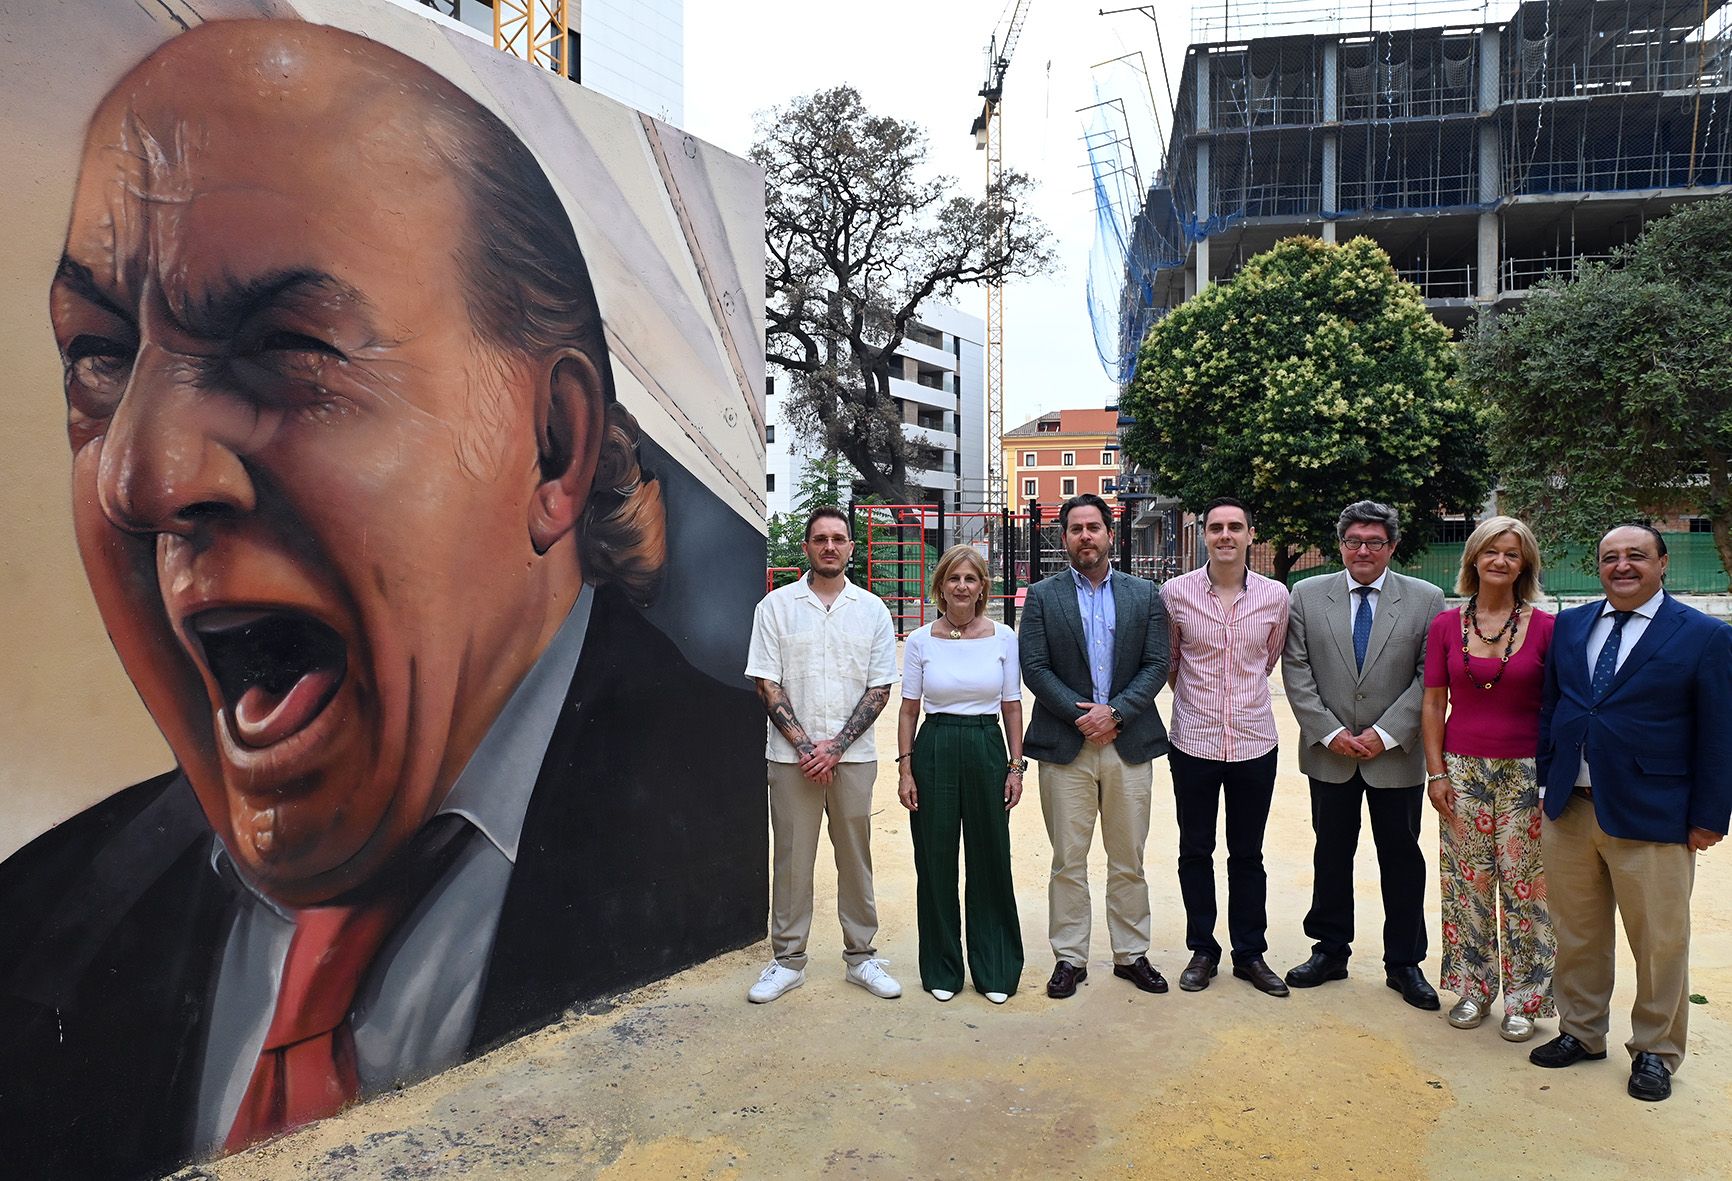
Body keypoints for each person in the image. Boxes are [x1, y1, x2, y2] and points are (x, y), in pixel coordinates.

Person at [0, 21, 764, 1177]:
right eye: (100, 356)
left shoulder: (739, 835)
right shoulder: (36, 921)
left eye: (282, 343)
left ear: (551, 449)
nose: (142, 477)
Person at [1529, 523, 1732, 1102]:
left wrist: (1710, 815)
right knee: (1577, 933)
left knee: (1660, 942)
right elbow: (1555, 708)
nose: (1622, 566)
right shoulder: (1572, 625)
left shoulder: (1703, 636)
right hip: (1570, 807)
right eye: (1610, 557)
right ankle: (1582, 1032)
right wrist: (1548, 780)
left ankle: (1656, 1052)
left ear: (1662, 563)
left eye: (1636, 556)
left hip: (1656, 813)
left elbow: (1720, 733)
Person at [1282, 501, 1446, 1009]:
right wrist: (1330, 732)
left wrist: (1385, 732)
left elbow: (1429, 676)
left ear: (1392, 547)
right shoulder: (1307, 595)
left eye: (1375, 542)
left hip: (1395, 756)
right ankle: (1330, 950)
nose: (1363, 551)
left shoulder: (1425, 599)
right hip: (1330, 754)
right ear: (1340, 545)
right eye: (1354, 541)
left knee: (1401, 858)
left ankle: (1404, 963)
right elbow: (1297, 670)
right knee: (1331, 854)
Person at [744, 506, 900, 1005]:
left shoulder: (873, 610)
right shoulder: (775, 607)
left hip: (853, 759)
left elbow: (879, 687)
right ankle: (788, 960)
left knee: (855, 856)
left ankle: (862, 957)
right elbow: (766, 682)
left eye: (838, 539)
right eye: (820, 539)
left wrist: (836, 746)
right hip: (791, 760)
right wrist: (808, 747)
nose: (829, 547)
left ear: (851, 547)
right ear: (806, 547)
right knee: (792, 857)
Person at [1019, 493, 1171, 1000]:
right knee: (1068, 859)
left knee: (1129, 857)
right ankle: (1070, 957)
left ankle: (1131, 954)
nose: (1086, 536)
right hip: (1068, 745)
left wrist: (1117, 712)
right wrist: (1083, 715)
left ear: (1110, 534)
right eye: (1076, 528)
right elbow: (1035, 667)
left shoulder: (1145, 595)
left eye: (1094, 527)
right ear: (1063, 538)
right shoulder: (1041, 596)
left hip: (1129, 744)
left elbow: (1156, 663)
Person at [1421, 517, 1556, 1042]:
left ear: (1525, 565)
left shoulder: (1547, 627)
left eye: (1513, 554)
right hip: (1461, 769)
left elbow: (1558, 707)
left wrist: (1552, 782)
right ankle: (1473, 988)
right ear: (1473, 558)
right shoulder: (1444, 626)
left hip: (1527, 773)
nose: (1500, 561)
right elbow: (1433, 703)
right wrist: (1436, 773)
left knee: (1528, 888)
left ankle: (1526, 997)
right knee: (1466, 884)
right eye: (1491, 551)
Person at [1159, 497, 1291, 997]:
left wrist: (1238, 700)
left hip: (1255, 743)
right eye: (1216, 528)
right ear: (1204, 535)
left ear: (1250, 535)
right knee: (1195, 848)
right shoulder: (1176, 594)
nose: (1225, 536)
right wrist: (1203, 705)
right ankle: (1202, 949)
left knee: (1248, 852)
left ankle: (1249, 952)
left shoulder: (1276, 596)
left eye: (1235, 527)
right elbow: (1172, 662)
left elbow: (1269, 657)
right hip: (1193, 741)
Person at [896, 546, 1025, 1004]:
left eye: (971, 579)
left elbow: (1012, 706)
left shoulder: (1004, 637)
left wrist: (1015, 766)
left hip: (987, 745)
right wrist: (905, 768)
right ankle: (942, 968)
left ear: (983, 587)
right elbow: (909, 710)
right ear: (941, 586)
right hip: (935, 747)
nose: (962, 586)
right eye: (954, 579)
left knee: (991, 858)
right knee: (935, 861)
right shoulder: (920, 641)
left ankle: (995, 968)